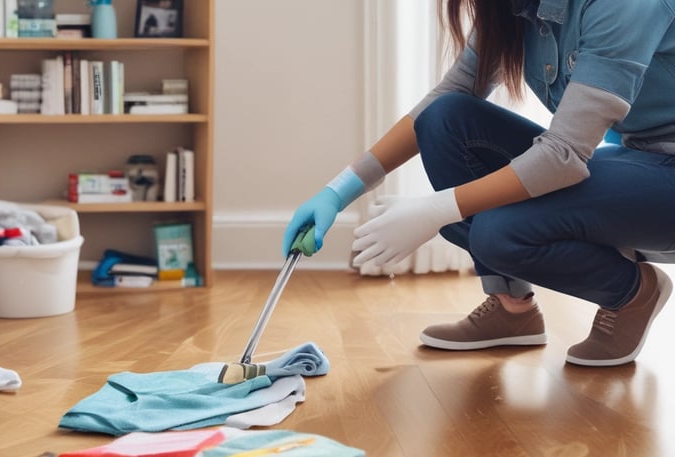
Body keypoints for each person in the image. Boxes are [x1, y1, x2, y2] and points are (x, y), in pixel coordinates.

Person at [283, 0, 675, 367]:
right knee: (445, 119)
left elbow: (562, 156)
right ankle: (511, 307)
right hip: (636, 158)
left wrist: (436, 210)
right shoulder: (514, 8)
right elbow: (450, 94)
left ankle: (632, 293)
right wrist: (339, 191)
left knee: (496, 230)